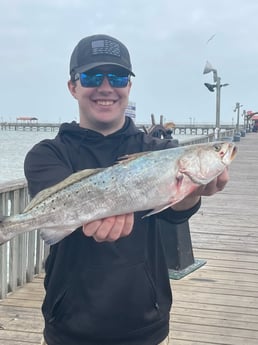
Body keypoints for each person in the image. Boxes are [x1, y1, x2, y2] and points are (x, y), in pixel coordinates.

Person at [24, 34, 229, 345]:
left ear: (129, 86)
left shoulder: (160, 150)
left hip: (146, 324)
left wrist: (190, 195)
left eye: (118, 76)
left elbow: (173, 215)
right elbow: (60, 216)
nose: (106, 87)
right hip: (69, 326)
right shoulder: (47, 155)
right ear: (73, 86)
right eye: (92, 76)